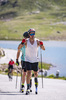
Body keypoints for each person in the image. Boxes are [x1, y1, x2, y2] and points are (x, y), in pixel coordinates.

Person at [17, 28, 45, 95]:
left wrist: (42, 44)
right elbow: (19, 48)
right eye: (31, 33)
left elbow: (43, 49)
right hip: (28, 60)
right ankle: (28, 88)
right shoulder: (26, 41)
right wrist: (22, 43)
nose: (33, 35)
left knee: (35, 74)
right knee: (28, 73)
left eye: (34, 33)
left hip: (35, 60)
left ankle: (35, 83)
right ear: (29, 34)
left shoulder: (37, 41)